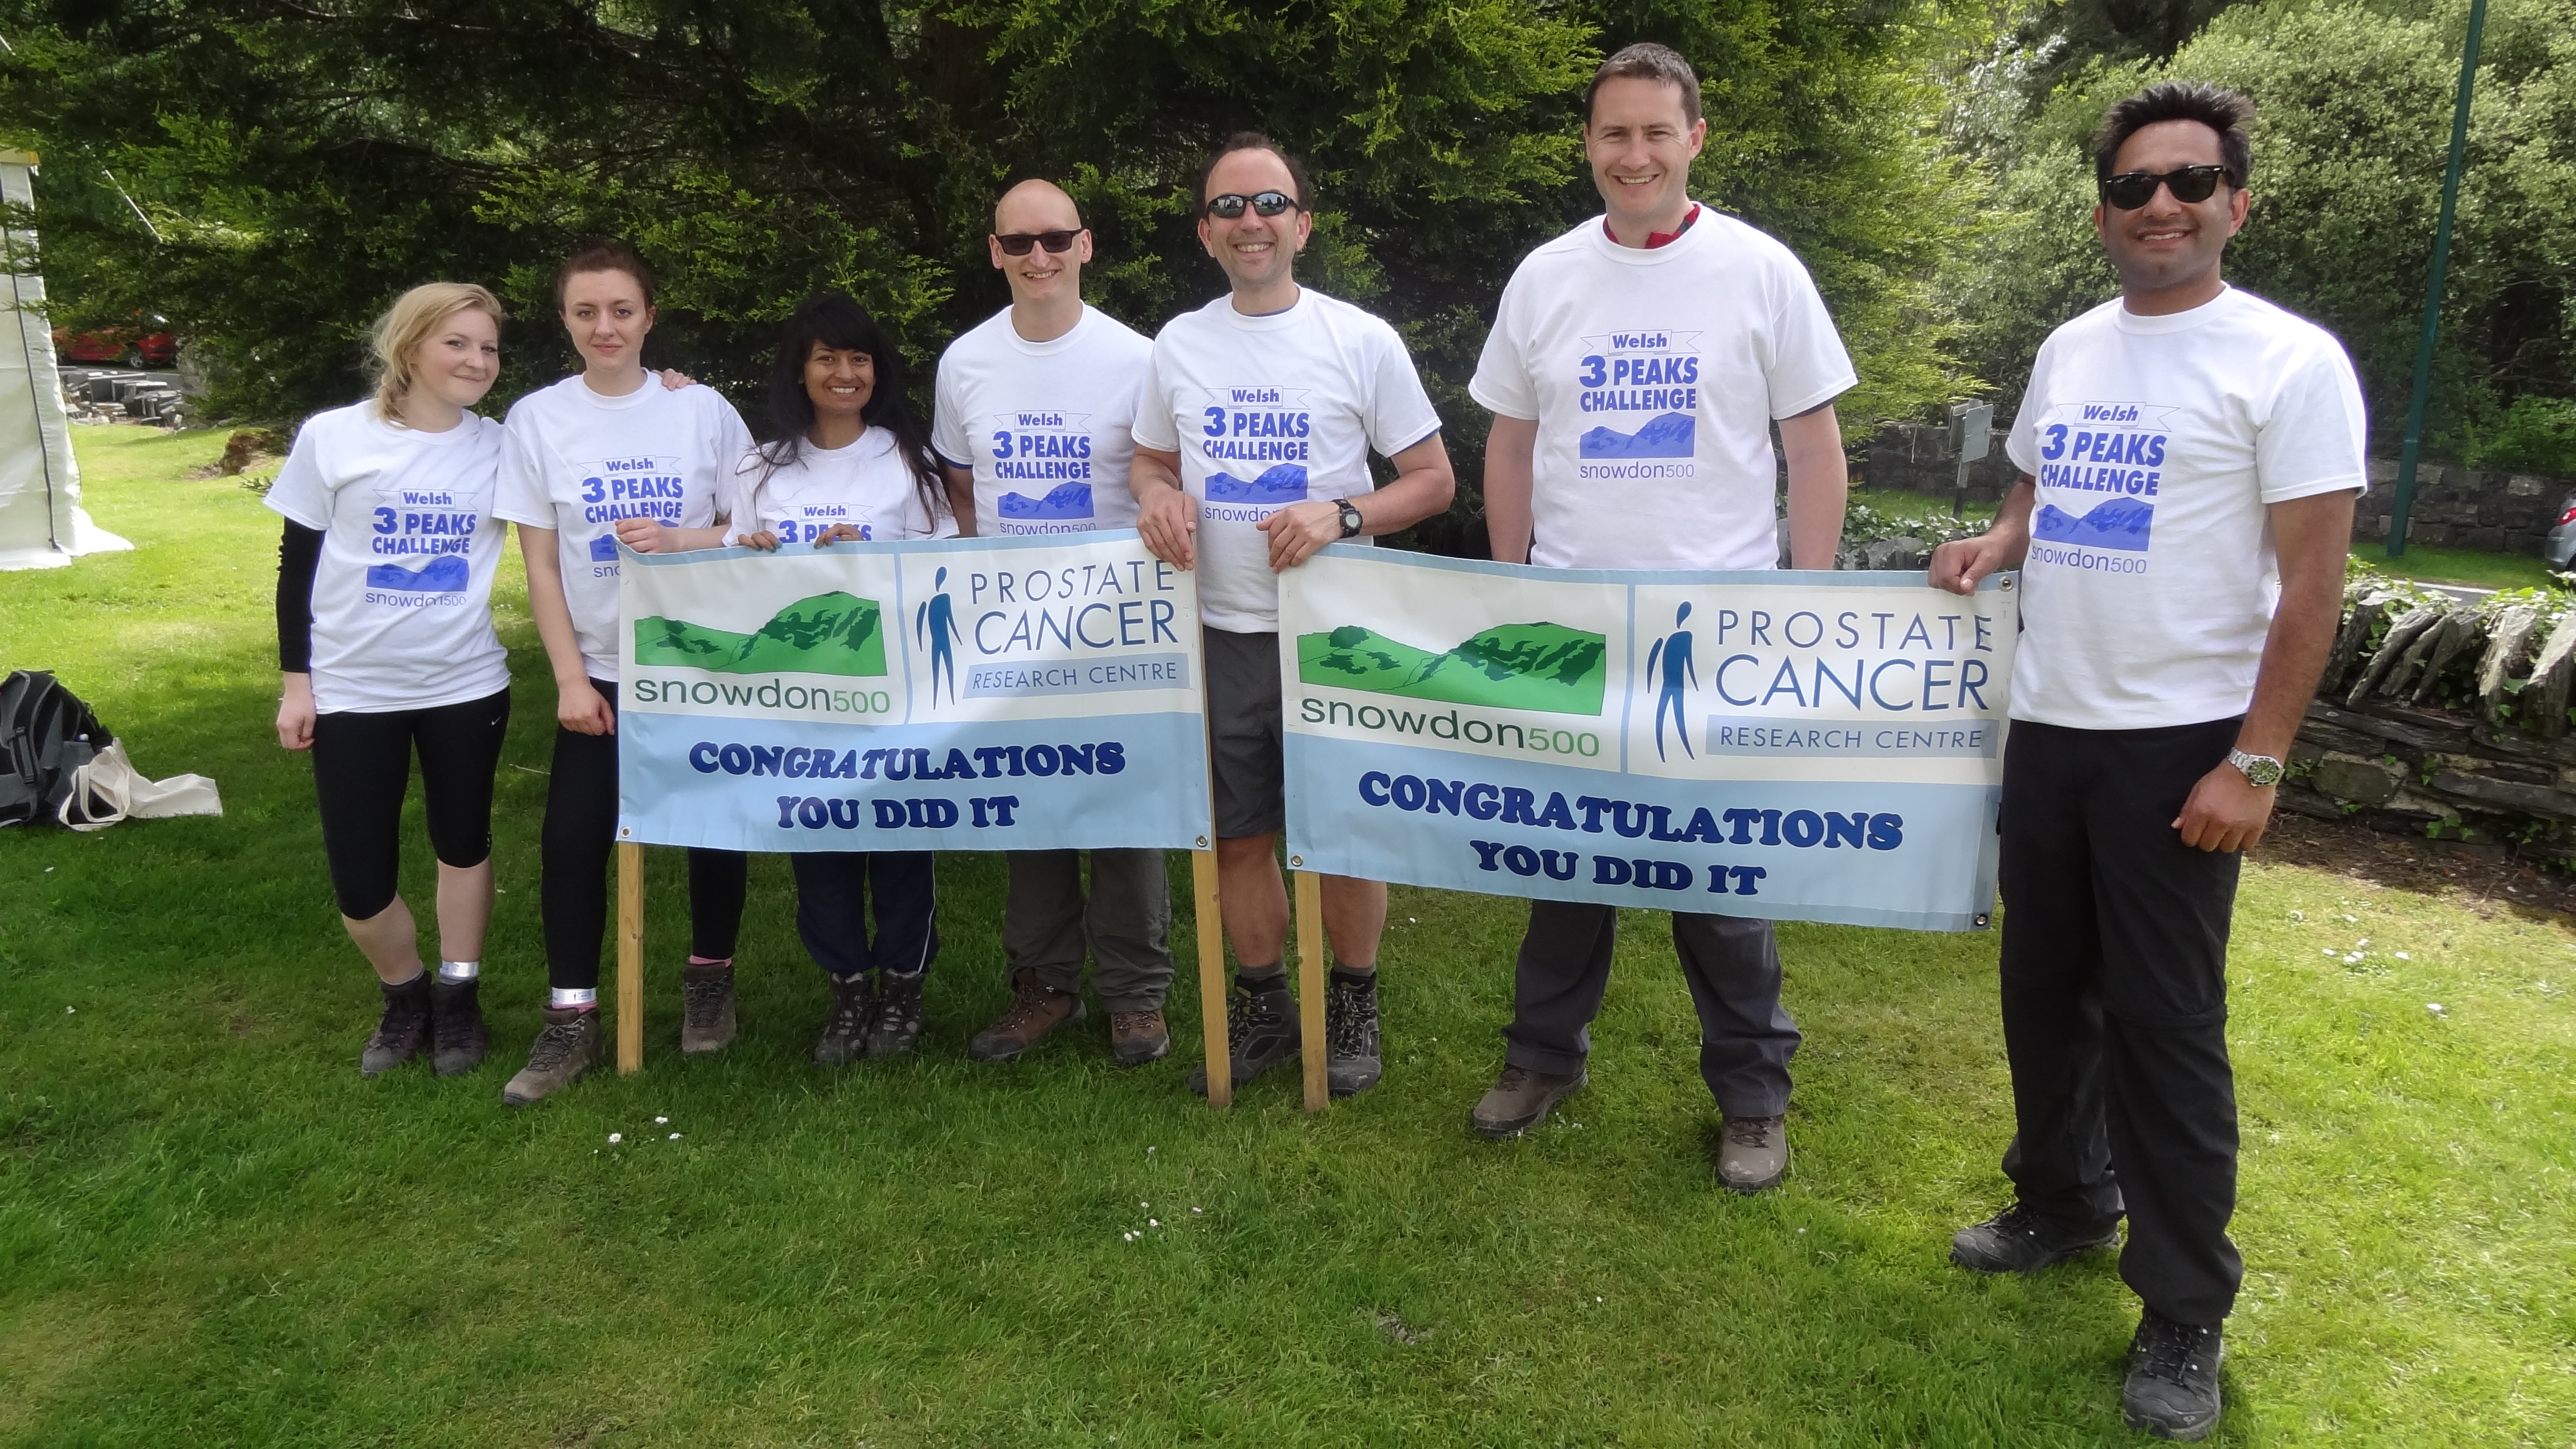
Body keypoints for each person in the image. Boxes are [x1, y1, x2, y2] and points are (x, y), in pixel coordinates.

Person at [1929, 82, 2365, 1441]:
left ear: (2238, 201)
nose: (2160, 204)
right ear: (2103, 211)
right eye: (2133, 186)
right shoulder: (2071, 347)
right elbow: (2036, 479)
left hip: (2182, 747)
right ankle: (2062, 1202)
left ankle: (2184, 1308)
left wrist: (2258, 764)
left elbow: (2314, 586)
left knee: (2166, 1030)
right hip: (2050, 726)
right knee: (2043, 995)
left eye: (2189, 182)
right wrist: (2001, 539)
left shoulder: (2289, 362)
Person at [1464, 42, 1857, 1193]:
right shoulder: (1545, 277)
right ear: (1588, 145)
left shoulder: (1761, 272)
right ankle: (1543, 1057)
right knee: (1566, 861)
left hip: (1717, 633)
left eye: (1654, 132)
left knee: (1719, 883)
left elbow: (1813, 447)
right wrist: (1512, 584)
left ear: (1695, 139)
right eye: (1613, 133)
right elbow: (1511, 444)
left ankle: (1753, 1096)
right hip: (1578, 625)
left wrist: (1806, 600)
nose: (1633, 154)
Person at [1130, 134, 1456, 1097]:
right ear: (1206, 233)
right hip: (1222, 631)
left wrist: (1343, 515)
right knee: (1239, 838)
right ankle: (1266, 1005)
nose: (1251, 221)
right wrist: (1157, 495)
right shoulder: (1179, 344)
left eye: (1270, 203)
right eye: (1229, 207)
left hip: (1335, 634)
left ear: (1303, 225)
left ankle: (1352, 1003)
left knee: (1343, 832)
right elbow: (1150, 460)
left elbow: (1433, 480)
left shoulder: (1360, 339)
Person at [493, 240, 757, 1105]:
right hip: (601, 671)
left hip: (699, 663)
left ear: (649, 315)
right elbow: (540, 566)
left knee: (716, 827)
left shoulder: (701, 410)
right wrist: (570, 679)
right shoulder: (537, 419)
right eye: (585, 312)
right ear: (564, 321)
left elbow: (754, 525)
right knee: (572, 842)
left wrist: (683, 540)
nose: (604, 327)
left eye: (620, 310)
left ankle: (710, 979)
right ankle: (572, 1015)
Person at [929, 178, 1179, 1069]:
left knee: (1126, 805)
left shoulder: (1139, 359)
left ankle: (1135, 994)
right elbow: (962, 487)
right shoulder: (965, 362)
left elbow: (1162, 475)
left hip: (1118, 623)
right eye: (1019, 242)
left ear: (1086, 245)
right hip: (1011, 627)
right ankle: (1042, 985)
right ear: (995, 253)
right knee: (1026, 803)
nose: (1039, 256)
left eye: (1056, 239)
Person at [269, 282, 516, 1081]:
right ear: (409, 347)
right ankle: (404, 994)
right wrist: (298, 683)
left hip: (465, 684)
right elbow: (296, 569)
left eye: (488, 347)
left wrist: (667, 389)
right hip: (352, 689)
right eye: (457, 343)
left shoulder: (503, 446)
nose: (477, 361)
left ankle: (459, 996)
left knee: (463, 844)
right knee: (360, 878)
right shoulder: (334, 437)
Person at [727, 292, 957, 1064]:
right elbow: (731, 574)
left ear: (877, 370)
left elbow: (946, 564)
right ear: (800, 369)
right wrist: (750, 553)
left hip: (891, 692)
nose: (844, 372)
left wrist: (872, 552)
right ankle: (847, 988)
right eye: (826, 357)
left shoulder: (906, 459)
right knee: (817, 845)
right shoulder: (759, 467)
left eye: (859, 358)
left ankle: (903, 986)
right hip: (797, 699)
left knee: (901, 841)